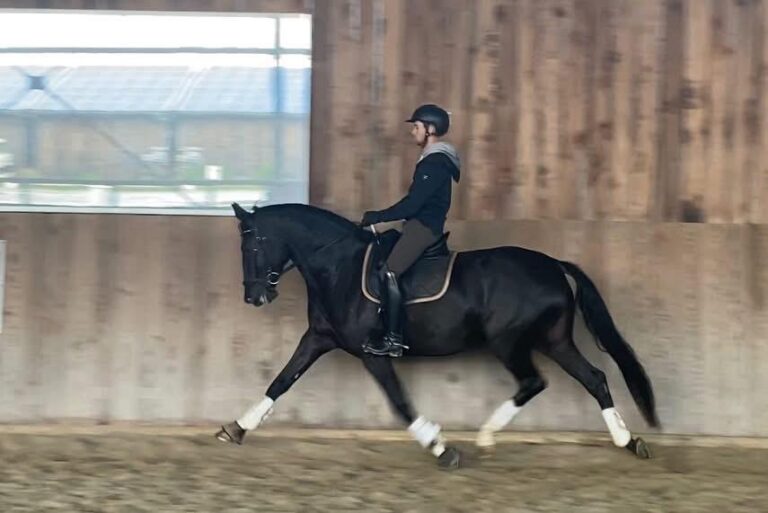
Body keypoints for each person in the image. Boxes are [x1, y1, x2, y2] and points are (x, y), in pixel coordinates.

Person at [360, 103, 461, 357]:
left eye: (416, 127)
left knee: (389, 273)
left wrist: (379, 216)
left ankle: (393, 338)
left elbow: (413, 204)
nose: (412, 131)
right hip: (418, 225)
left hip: (423, 228)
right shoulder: (433, 160)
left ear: (430, 130)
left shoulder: (435, 162)